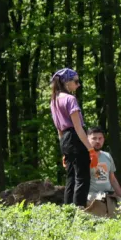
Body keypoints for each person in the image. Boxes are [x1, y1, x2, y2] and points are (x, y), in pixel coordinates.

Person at [50, 68, 93, 208]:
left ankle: (68, 212)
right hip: (75, 139)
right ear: (66, 82)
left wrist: (63, 151)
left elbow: (59, 130)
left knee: (71, 178)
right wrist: (91, 149)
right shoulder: (70, 99)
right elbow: (78, 128)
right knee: (82, 177)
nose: (78, 85)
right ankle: (79, 211)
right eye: (76, 81)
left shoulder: (54, 101)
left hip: (65, 140)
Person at [86, 125, 121, 213]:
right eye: (94, 138)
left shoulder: (107, 156)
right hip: (92, 198)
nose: (97, 141)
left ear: (103, 139)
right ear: (87, 139)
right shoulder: (84, 158)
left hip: (110, 196)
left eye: (100, 138)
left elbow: (113, 180)